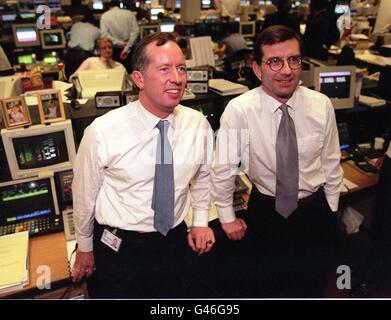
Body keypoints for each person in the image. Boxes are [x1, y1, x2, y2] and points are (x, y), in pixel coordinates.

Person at [71, 32, 215, 299]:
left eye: (181, 68)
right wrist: (85, 246)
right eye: (164, 69)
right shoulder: (102, 132)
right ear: (138, 79)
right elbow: (84, 195)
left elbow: (204, 176)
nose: (177, 78)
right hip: (121, 249)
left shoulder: (198, 124)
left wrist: (200, 220)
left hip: (173, 241)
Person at [212, 25, 343, 297]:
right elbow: (223, 169)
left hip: (313, 213)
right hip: (267, 216)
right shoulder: (240, 110)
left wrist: (330, 210)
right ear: (257, 69)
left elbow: (331, 162)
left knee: (312, 286)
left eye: (293, 60)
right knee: (266, 287)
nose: (286, 70)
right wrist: (226, 217)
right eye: (274, 61)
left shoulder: (321, 105)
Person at [100, 0, 139, 72]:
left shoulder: (105, 16)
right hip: (130, 50)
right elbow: (135, 31)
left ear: (109, 7)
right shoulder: (129, 13)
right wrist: (127, 47)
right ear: (120, 6)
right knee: (131, 73)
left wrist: (121, 43)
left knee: (116, 74)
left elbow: (104, 35)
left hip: (115, 51)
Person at [65, 11, 100, 79]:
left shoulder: (75, 25)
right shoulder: (96, 30)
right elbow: (99, 44)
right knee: (84, 80)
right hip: (84, 56)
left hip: (69, 55)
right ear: (93, 22)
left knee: (71, 79)